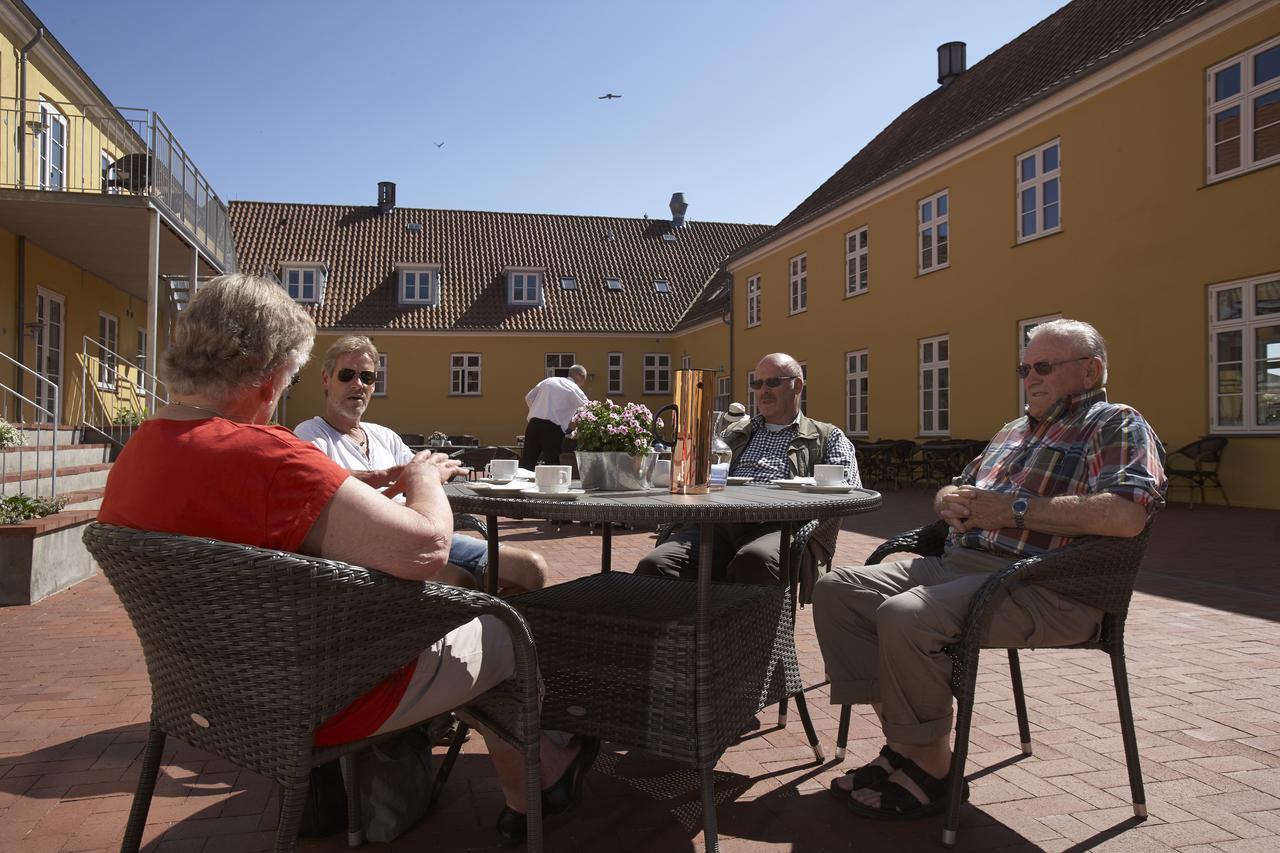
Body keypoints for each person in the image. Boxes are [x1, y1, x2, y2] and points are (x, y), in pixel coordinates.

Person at [96, 274, 595, 845]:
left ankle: (526, 768)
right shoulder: (272, 456)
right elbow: (426, 546)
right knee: (507, 626)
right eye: (295, 371)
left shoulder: (141, 450)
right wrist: (422, 478)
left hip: (215, 696)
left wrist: (342, 485)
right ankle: (536, 782)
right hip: (329, 695)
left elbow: (252, 505)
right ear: (268, 372)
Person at [813, 319, 1166, 821]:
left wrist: (1013, 510)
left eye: (1044, 366)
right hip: (960, 564)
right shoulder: (1013, 430)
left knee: (907, 616)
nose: (1030, 377)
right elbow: (958, 486)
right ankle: (905, 747)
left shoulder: (1116, 423)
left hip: (1043, 582)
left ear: (1091, 370)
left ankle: (934, 770)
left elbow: (1127, 515)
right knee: (837, 590)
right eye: (1025, 368)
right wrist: (947, 501)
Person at [295, 335, 547, 594]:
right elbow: (322, 484)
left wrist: (446, 473)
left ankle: (496, 632)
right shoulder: (311, 434)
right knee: (460, 582)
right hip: (371, 550)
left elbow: (424, 473)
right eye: (347, 375)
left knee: (531, 569)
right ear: (326, 379)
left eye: (367, 378)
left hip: (422, 537)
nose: (358, 384)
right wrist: (385, 476)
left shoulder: (385, 436)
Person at [636, 352, 859, 591]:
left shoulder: (827, 436)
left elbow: (846, 488)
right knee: (656, 565)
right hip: (717, 522)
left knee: (755, 562)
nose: (763, 390)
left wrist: (812, 529)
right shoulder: (735, 433)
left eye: (773, 382)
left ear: (798, 386)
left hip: (778, 526)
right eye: (757, 383)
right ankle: (682, 627)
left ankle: (744, 628)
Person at [521, 365, 588, 469]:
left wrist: (538, 410)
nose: (582, 384)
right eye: (584, 381)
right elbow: (587, 410)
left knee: (527, 464)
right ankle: (551, 485)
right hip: (552, 429)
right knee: (552, 465)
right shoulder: (575, 389)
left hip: (533, 425)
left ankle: (521, 485)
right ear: (580, 376)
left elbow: (528, 397)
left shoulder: (548, 381)